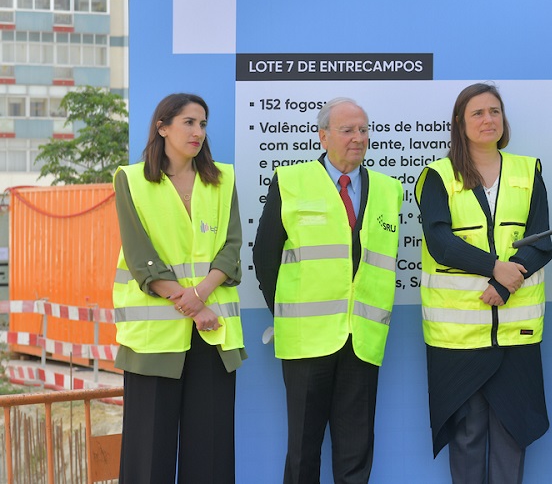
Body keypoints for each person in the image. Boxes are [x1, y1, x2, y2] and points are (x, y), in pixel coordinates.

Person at [254, 97, 403, 484]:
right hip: (306, 342)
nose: (358, 138)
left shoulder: (388, 190)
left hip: (363, 341)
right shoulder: (291, 181)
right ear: (323, 136)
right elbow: (265, 255)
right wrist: (290, 312)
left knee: (356, 453)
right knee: (303, 451)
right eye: (348, 130)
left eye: (364, 130)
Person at [415, 83, 552, 484]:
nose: (488, 119)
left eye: (495, 111)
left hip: (516, 333)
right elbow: (440, 242)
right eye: (477, 113)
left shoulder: (529, 171)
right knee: (468, 434)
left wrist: (508, 283)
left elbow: (541, 240)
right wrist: (494, 267)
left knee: (513, 434)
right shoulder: (439, 175)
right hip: (458, 338)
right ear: (460, 122)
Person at [113, 93, 244, 484]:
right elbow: (142, 259)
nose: (198, 132)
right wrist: (193, 304)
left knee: (211, 455)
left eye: (203, 124)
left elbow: (232, 247)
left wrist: (200, 296)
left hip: (213, 335)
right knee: (148, 455)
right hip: (154, 341)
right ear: (162, 127)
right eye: (188, 122)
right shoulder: (131, 180)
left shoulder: (223, 179)